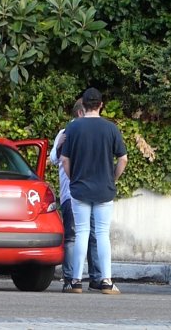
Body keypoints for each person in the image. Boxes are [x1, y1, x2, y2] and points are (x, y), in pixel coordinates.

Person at [60, 87, 128, 294]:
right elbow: (123, 159)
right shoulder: (111, 129)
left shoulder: (73, 128)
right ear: (100, 105)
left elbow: (64, 160)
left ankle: (75, 281)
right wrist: (112, 178)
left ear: (84, 106)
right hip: (104, 189)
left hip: (80, 189)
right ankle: (106, 280)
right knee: (102, 234)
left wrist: (74, 179)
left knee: (81, 233)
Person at [49, 99, 102, 293]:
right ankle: (70, 278)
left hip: (86, 192)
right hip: (72, 194)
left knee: (93, 236)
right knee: (74, 236)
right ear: (81, 113)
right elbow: (55, 159)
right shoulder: (65, 133)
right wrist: (58, 145)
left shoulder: (90, 132)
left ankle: (94, 278)